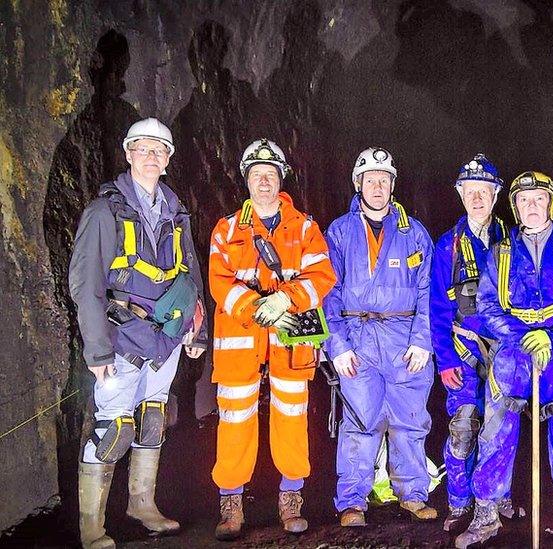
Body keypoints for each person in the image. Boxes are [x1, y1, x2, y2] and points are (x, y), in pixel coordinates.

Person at [69, 117, 208, 548]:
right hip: (121, 339)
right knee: (113, 428)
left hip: (166, 339)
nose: (151, 157)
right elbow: (84, 282)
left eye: (159, 150)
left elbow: (192, 279)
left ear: (167, 161)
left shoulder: (176, 214)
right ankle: (91, 527)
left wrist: (196, 330)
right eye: (143, 148)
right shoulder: (103, 212)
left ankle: (142, 504)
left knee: (152, 419)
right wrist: (96, 350)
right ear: (128, 154)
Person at [456, 171, 553, 548]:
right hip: (512, 353)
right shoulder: (500, 253)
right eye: (524, 201)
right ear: (516, 208)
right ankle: (486, 512)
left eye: (539, 199)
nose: (532, 206)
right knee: (495, 431)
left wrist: (552, 337)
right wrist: (524, 337)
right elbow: (487, 307)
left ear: (550, 204)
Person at [208, 139, 336, 539]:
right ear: (246, 180)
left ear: (281, 179)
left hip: (289, 339)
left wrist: (286, 297)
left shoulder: (305, 227)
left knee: (292, 415)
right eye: (256, 174)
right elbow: (218, 281)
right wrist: (251, 305)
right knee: (234, 418)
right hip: (241, 337)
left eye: (271, 174)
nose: (264, 181)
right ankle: (231, 504)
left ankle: (291, 498)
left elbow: (322, 276)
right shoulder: (226, 229)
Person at [324, 147, 437, 526]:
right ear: (358, 185)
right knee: (360, 421)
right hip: (357, 339)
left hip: (404, 338)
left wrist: (423, 340)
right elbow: (328, 291)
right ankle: (352, 502)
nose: (377, 186)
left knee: (409, 420)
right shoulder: (340, 231)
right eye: (370, 179)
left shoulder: (413, 232)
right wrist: (335, 345)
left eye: (383, 180)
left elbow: (428, 293)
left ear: (392, 185)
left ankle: (413, 494)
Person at [430, 154, 514, 531]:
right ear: (461, 195)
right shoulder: (448, 245)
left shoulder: (512, 240)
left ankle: (498, 495)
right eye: (470, 191)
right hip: (463, 351)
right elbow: (436, 306)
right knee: (464, 425)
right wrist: (445, 360)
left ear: (496, 196)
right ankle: (459, 501)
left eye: (484, 191)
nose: (477, 198)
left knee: (502, 426)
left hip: (505, 351)